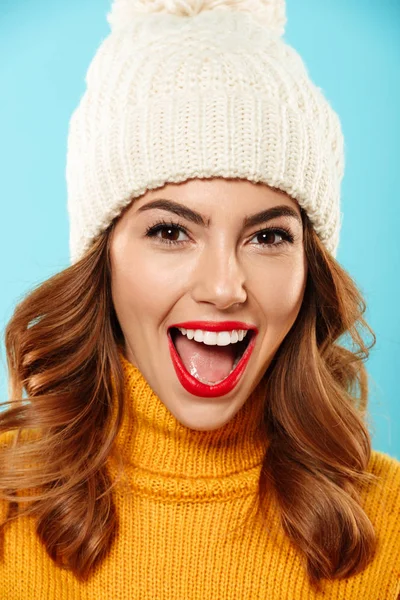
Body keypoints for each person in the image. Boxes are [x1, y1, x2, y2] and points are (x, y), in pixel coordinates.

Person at [0, 0, 399, 598]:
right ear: (102, 259)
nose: (223, 287)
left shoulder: (387, 517)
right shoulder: (9, 494)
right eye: (170, 232)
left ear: (309, 267)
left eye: (268, 237)